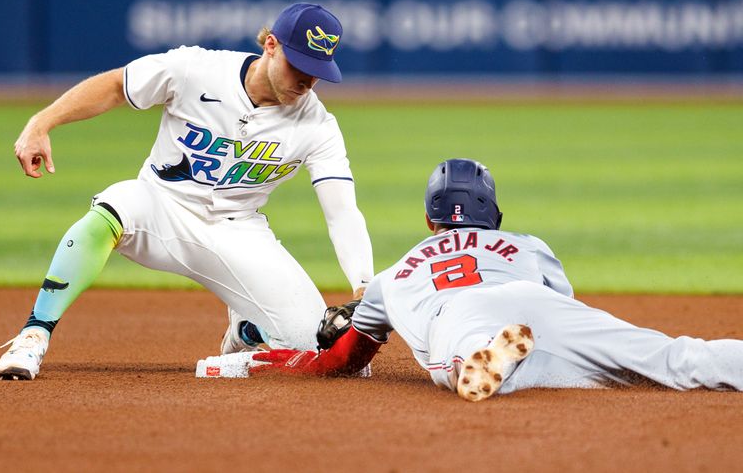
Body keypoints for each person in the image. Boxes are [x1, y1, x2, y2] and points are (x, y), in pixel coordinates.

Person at [0, 3, 373, 380]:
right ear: (271, 45)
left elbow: (341, 212)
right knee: (110, 210)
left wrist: (362, 284)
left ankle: (247, 331)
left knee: (314, 345)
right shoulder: (196, 69)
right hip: (160, 207)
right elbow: (115, 86)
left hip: (238, 230)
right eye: (299, 66)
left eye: (317, 73)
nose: (306, 81)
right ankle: (33, 335)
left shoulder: (318, 126)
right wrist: (41, 122)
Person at [250, 159, 743, 401]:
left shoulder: (392, 275)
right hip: (533, 303)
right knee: (671, 358)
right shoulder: (528, 245)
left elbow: (346, 357)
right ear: (495, 214)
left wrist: (304, 361)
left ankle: (485, 358)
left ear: (429, 221)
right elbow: (559, 309)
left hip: (460, 315)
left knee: (463, 359)